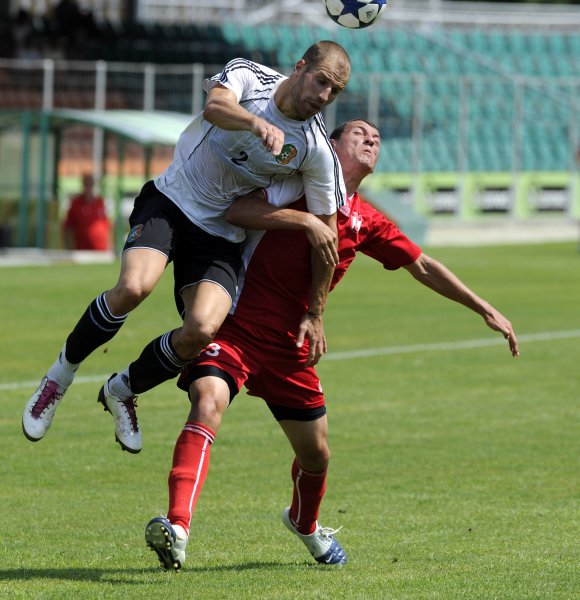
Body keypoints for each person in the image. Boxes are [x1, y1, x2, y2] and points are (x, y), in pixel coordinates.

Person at [143, 119, 519, 571]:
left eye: (376, 137)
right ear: (331, 143)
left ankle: (303, 523)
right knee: (206, 402)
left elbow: (423, 266)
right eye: (359, 132)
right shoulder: (289, 185)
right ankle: (178, 527)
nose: (371, 138)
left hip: (291, 347)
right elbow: (236, 210)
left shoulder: (367, 219)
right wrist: (304, 222)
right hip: (237, 326)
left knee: (316, 453)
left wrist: (483, 308)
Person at [22, 41, 351, 453]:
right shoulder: (251, 76)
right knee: (134, 288)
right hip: (172, 201)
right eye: (321, 82)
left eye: (334, 92)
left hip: (220, 234)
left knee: (201, 330)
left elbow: (328, 235)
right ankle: (58, 378)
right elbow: (215, 107)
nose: (323, 97)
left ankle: (122, 389)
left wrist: (316, 311)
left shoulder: (317, 148)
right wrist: (253, 123)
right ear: (300, 67)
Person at [62, 174, 112, 251]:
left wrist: (110, 246)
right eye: (86, 184)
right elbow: (67, 228)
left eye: (91, 184)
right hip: (82, 250)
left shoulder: (100, 203)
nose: (88, 187)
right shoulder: (76, 204)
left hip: (101, 250)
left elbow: (108, 226)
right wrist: (68, 248)